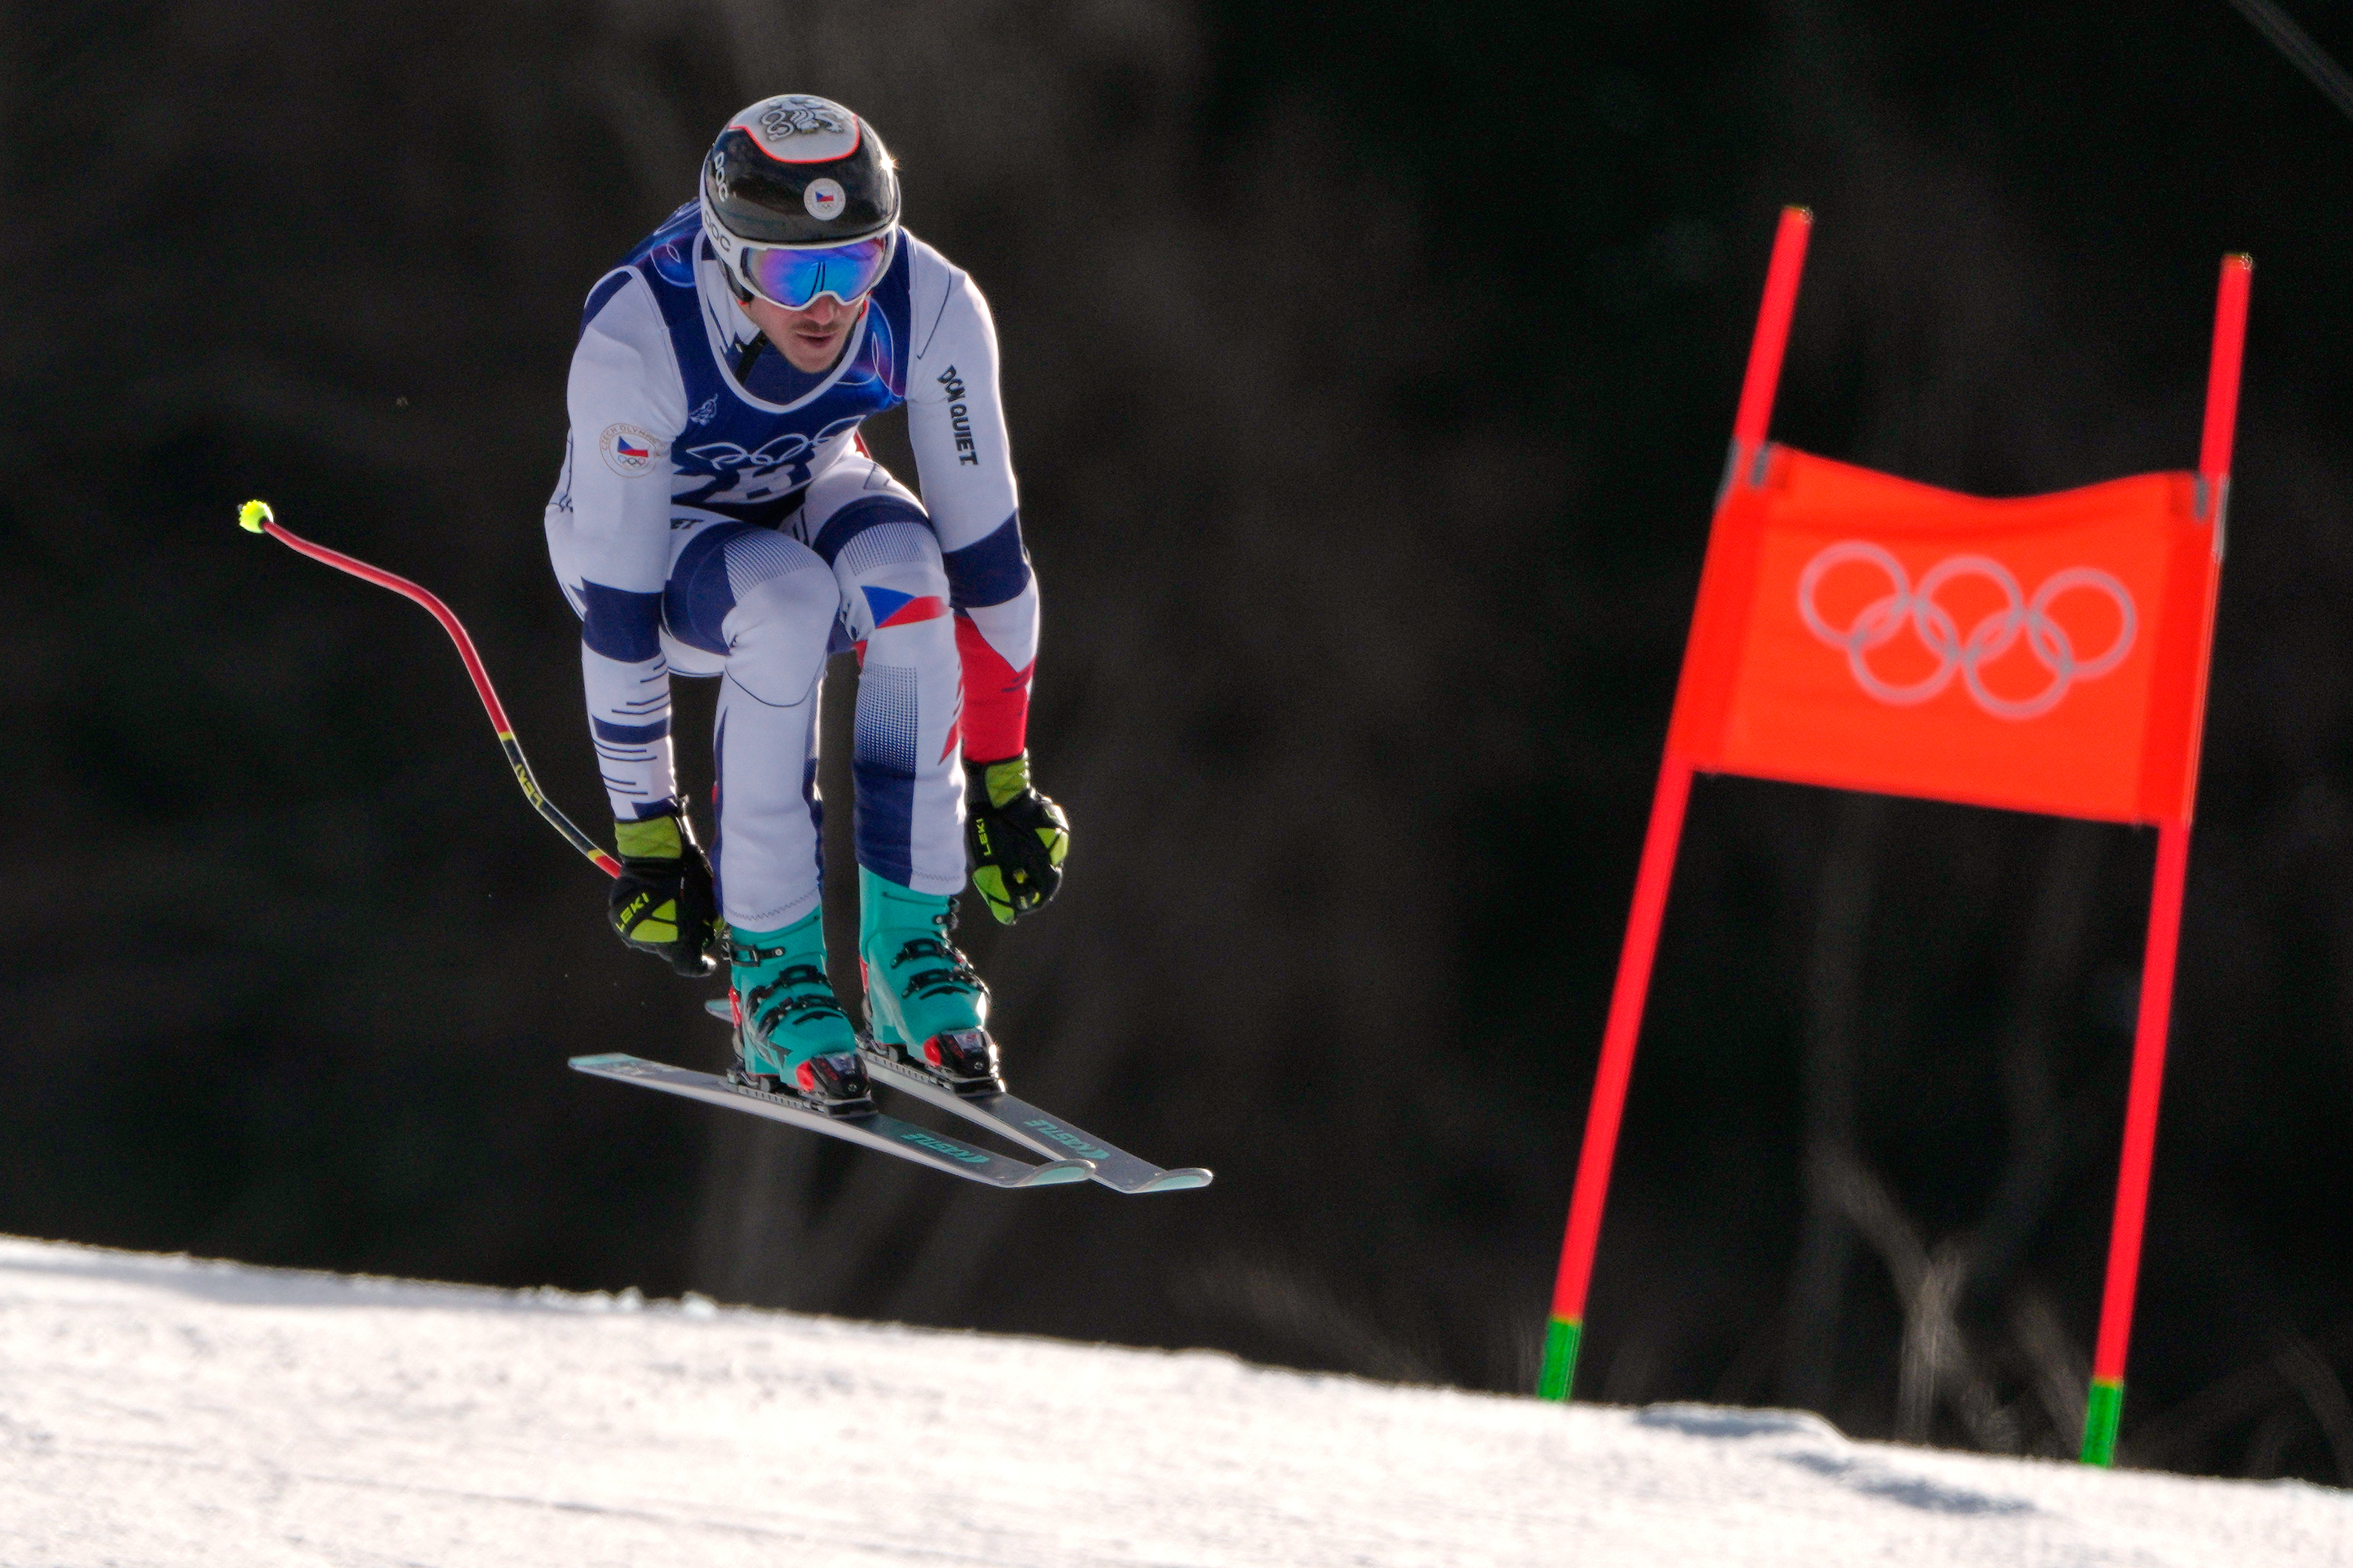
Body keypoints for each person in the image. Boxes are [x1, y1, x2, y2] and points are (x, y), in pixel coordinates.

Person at [544, 94, 1069, 1109]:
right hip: (660, 551)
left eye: (854, 263)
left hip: (807, 481)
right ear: (729, 254)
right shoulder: (637, 333)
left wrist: (1002, 774)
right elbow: (615, 617)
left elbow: (991, 564)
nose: (827, 305)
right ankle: (774, 968)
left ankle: (908, 952)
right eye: (793, 272)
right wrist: (648, 830)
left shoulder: (933, 302)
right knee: (785, 605)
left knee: (912, 581)